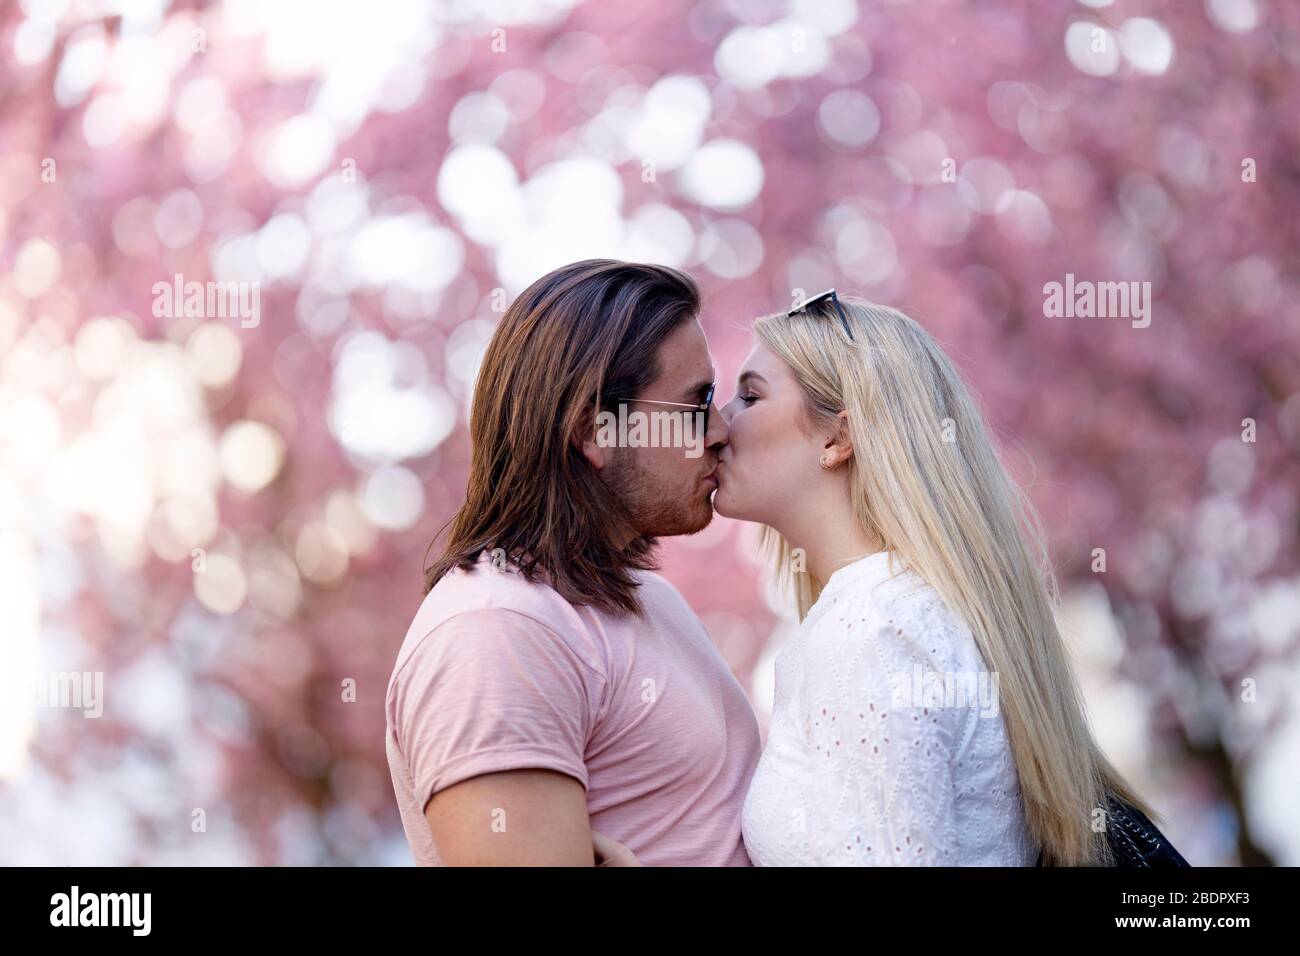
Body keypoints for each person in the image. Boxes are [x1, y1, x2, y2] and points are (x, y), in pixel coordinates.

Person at [598, 291, 1154, 866]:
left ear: (838, 438)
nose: (717, 427)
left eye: (750, 397)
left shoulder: (873, 632)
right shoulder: (891, 614)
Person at [384, 259, 761, 866]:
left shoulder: (646, 598)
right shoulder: (498, 629)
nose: (719, 431)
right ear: (595, 430)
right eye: (696, 404)